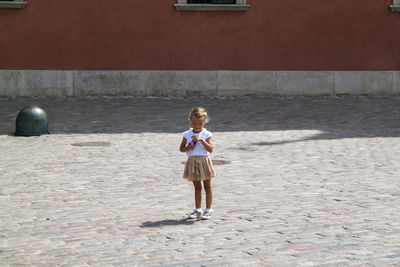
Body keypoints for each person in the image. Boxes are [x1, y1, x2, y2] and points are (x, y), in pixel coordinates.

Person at [180, 107, 216, 220]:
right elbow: (181, 148)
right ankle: (198, 209)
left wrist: (202, 141)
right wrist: (190, 146)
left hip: (204, 161)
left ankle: (208, 209)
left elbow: (210, 149)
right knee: (197, 187)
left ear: (204, 122)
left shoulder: (206, 134)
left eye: (200, 124)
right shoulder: (187, 134)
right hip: (192, 161)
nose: (197, 126)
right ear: (190, 121)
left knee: (207, 186)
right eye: (194, 123)